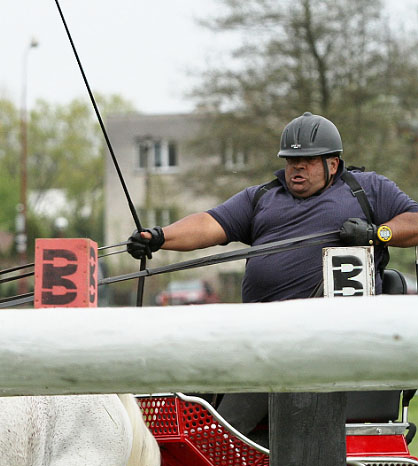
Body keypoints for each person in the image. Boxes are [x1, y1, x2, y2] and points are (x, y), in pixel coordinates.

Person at [126, 111, 418, 437]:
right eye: (291, 161)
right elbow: (210, 223)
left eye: (307, 161)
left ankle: (216, 447)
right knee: (192, 364)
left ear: (333, 164)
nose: (296, 168)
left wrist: (377, 235)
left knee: (248, 386)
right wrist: (160, 237)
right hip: (259, 335)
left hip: (326, 344)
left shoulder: (367, 189)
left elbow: (415, 222)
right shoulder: (262, 197)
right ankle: (176, 447)